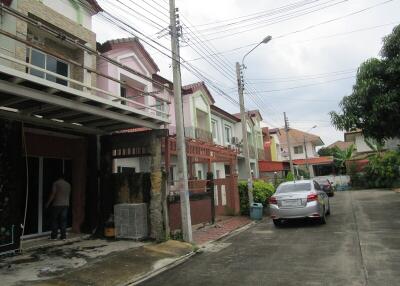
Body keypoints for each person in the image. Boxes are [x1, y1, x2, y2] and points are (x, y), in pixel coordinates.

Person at [46, 174, 71, 240]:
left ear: (58, 177)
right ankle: (63, 236)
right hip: (66, 204)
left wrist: (48, 203)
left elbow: (53, 194)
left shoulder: (56, 183)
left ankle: (54, 236)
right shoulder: (68, 184)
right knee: (63, 221)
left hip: (57, 204)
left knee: (54, 220)